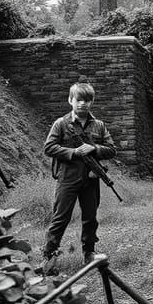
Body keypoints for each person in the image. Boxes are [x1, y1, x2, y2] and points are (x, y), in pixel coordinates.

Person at [40, 82, 117, 272]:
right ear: (70, 100)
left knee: (90, 218)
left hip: (91, 179)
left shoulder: (99, 126)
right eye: (79, 100)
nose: (83, 104)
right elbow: (49, 148)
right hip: (67, 177)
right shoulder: (61, 124)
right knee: (60, 218)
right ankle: (49, 257)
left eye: (87, 100)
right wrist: (73, 152)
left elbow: (112, 150)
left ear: (92, 102)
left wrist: (94, 148)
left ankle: (89, 253)